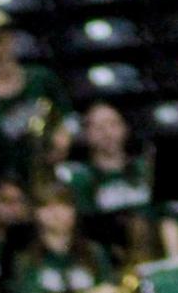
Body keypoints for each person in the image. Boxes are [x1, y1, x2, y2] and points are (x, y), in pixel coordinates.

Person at [0, 14, 75, 195]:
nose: (1, 44)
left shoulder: (41, 78)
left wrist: (64, 137)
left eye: (5, 36)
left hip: (56, 170)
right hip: (14, 185)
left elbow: (69, 116)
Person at [61, 105, 152, 265]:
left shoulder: (145, 168)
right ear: (86, 134)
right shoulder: (79, 177)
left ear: (125, 128)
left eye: (113, 124)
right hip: (107, 253)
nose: (107, 133)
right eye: (98, 127)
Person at [8, 191, 110, 293]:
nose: (56, 213)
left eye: (63, 205)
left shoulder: (94, 252)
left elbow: (108, 286)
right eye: (47, 206)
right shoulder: (25, 260)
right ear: (36, 213)